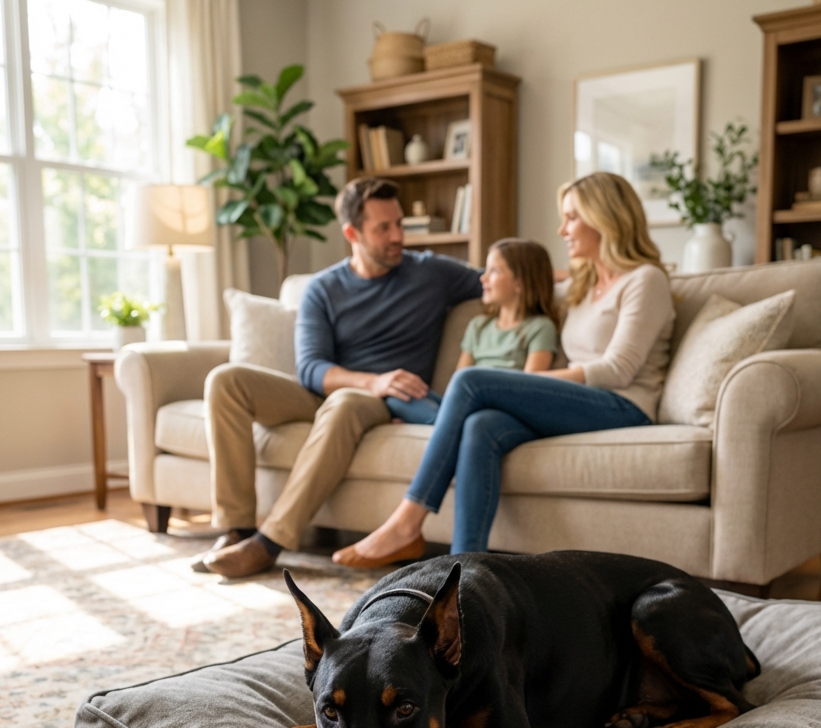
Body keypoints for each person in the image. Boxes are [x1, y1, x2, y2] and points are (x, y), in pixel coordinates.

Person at [332, 171, 674, 567]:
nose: (562, 229)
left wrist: (523, 384)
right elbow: (528, 279)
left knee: (472, 381)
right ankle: (462, 574)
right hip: (582, 403)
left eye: (572, 218)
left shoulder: (645, 281)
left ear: (606, 218)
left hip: (624, 406)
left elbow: (617, 370)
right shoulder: (584, 283)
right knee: (482, 426)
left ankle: (408, 520)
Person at [195, 177, 482, 578]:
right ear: (352, 233)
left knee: (344, 402)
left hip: (379, 402)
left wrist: (584, 272)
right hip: (339, 388)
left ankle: (269, 542)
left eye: (399, 223)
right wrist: (371, 379)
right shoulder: (323, 289)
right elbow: (310, 368)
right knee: (226, 381)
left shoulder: (431, 273)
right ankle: (237, 527)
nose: (398, 235)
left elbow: (505, 276)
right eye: (384, 228)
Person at [389, 237, 561, 425]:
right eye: (486, 270)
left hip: (500, 409)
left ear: (520, 282)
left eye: (494, 271)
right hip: (466, 403)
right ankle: (445, 422)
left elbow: (530, 390)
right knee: (398, 396)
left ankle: (439, 424)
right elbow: (458, 382)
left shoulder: (540, 327)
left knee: (475, 416)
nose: (483, 278)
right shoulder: (478, 326)